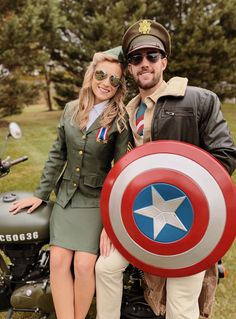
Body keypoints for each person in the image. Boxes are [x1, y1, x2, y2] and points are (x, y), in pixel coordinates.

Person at [95, 19, 236, 319]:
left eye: (152, 56)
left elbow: (224, 155)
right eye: (136, 58)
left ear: (164, 62)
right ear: (130, 68)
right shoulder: (127, 112)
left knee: (180, 303)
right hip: (139, 215)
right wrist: (112, 221)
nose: (144, 63)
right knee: (106, 267)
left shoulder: (199, 99)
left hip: (188, 221)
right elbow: (123, 171)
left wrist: (194, 190)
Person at [9, 47, 133, 319]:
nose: (106, 83)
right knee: (59, 260)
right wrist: (40, 194)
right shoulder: (70, 110)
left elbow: (122, 170)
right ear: (91, 75)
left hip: (95, 201)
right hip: (67, 198)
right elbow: (57, 155)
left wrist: (113, 218)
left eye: (114, 79)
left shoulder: (119, 119)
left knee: (85, 264)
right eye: (101, 74)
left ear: (119, 86)